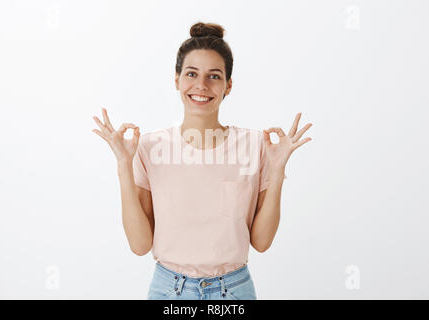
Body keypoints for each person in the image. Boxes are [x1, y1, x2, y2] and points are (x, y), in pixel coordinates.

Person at [92, 21, 313, 300]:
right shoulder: (150, 147)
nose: (201, 85)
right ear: (177, 80)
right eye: (192, 74)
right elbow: (139, 244)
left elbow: (262, 241)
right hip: (168, 291)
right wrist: (123, 165)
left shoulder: (255, 146)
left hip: (233, 292)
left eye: (214, 76)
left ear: (228, 86)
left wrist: (278, 171)